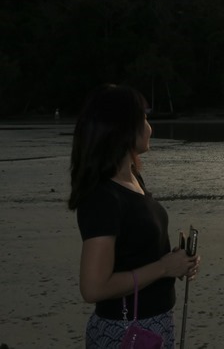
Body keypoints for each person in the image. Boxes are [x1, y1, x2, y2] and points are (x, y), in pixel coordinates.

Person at [68, 84, 200, 348]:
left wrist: (177, 262)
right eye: (145, 118)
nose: (150, 127)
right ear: (124, 128)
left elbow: (136, 254)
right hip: (126, 331)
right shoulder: (102, 197)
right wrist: (164, 267)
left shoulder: (133, 180)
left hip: (154, 325)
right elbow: (93, 287)